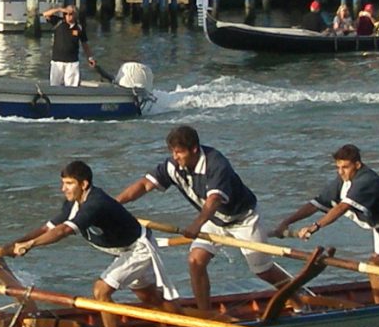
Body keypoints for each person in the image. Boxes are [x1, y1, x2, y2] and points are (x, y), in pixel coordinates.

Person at [115, 125, 293, 314]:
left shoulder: (216, 164)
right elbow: (144, 185)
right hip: (214, 220)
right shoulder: (172, 166)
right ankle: (205, 315)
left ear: (194, 149)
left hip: (244, 219)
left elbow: (214, 200)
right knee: (195, 261)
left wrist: (196, 225)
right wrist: (114, 204)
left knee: (263, 270)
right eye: (173, 152)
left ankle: (297, 300)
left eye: (179, 152)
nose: (175, 157)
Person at [8, 160, 171, 327]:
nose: (63, 189)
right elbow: (47, 229)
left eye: (69, 183)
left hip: (139, 249)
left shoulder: (95, 204)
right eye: (63, 183)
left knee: (101, 290)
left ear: (84, 184)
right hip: (125, 250)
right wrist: (16, 244)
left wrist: (30, 245)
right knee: (150, 298)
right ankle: (183, 324)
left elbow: (63, 231)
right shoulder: (72, 203)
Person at [270, 144, 379, 305]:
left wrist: (315, 226)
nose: (341, 172)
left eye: (345, 167)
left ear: (357, 165)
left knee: (375, 266)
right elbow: (315, 204)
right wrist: (286, 222)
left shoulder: (366, 180)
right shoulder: (341, 181)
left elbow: (342, 207)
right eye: (338, 167)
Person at [40, 4, 94, 86]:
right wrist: (60, 9)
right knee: (55, 85)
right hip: (57, 61)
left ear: (75, 15)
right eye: (66, 14)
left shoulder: (79, 27)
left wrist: (90, 58)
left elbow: (85, 44)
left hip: (72, 62)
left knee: (72, 87)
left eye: (70, 14)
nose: (68, 16)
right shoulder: (59, 22)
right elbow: (45, 14)